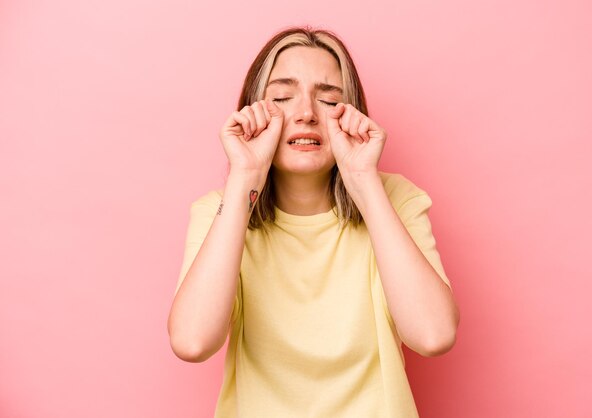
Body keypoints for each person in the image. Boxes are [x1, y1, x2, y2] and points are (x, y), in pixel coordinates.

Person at [167, 26, 459, 418]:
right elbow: (192, 341)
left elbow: (433, 335)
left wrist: (363, 181)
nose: (305, 113)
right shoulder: (220, 211)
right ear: (253, 111)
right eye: (283, 97)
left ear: (352, 113)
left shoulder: (395, 200)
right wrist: (244, 179)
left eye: (328, 100)